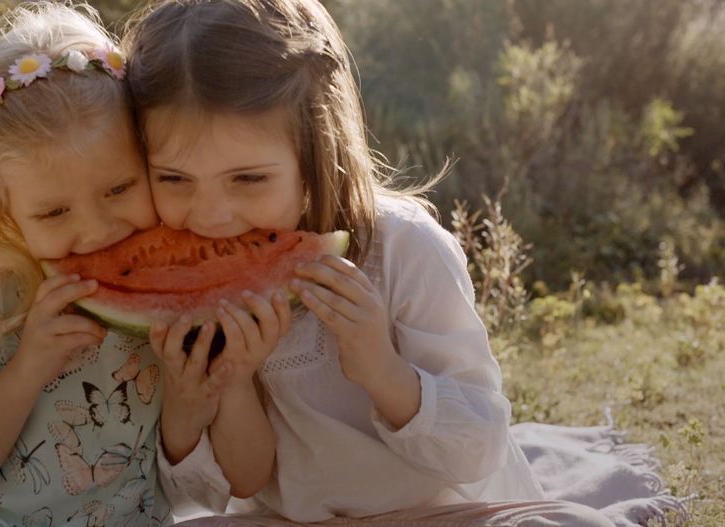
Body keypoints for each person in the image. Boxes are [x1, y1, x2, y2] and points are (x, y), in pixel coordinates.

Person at [123, 1, 615, 525]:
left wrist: (383, 371)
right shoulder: (170, 285)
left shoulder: (405, 249)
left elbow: (479, 451)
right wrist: (211, 393)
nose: (211, 217)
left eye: (248, 179)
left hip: (436, 514)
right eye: (174, 179)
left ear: (316, 150)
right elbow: (213, 491)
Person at [0, 3, 190, 525]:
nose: (98, 231)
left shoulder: (171, 292)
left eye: (120, 188)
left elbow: (185, 466)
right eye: (53, 212)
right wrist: (26, 369)